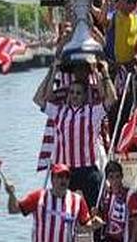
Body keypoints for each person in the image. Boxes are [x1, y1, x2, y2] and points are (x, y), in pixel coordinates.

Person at [6, 164, 104, 242]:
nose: (63, 180)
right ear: (52, 179)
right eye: (60, 177)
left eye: (67, 177)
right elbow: (13, 209)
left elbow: (85, 226)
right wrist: (11, 194)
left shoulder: (77, 200)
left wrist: (95, 223)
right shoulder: (38, 197)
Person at [46, 80, 118, 209]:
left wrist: (105, 75)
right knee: (64, 209)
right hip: (67, 172)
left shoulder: (93, 112)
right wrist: (52, 71)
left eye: (78, 93)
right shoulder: (59, 112)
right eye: (72, 92)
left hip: (88, 169)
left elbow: (112, 98)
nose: (74, 95)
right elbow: (38, 99)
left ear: (85, 96)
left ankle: (98, 227)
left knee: (95, 209)